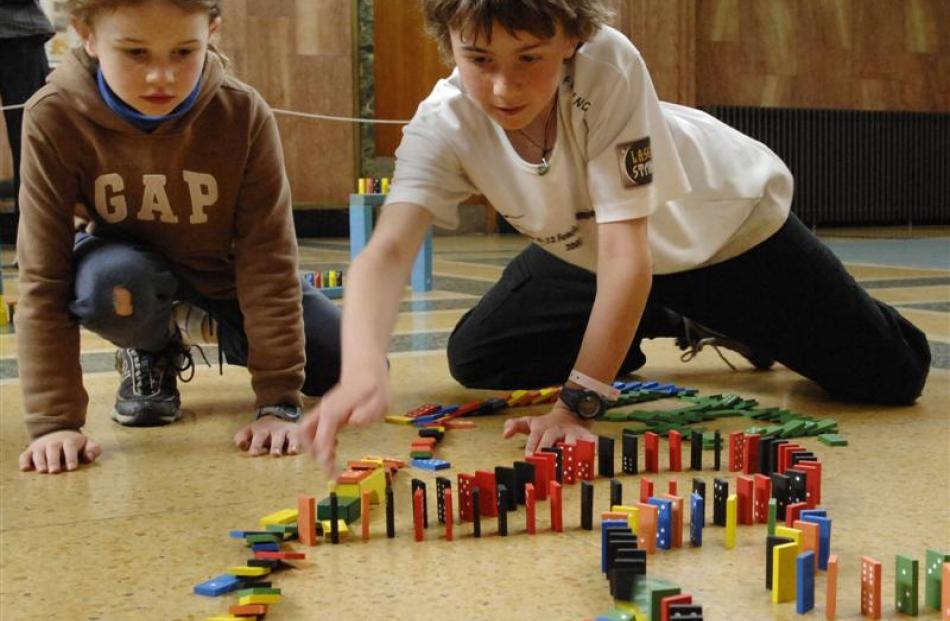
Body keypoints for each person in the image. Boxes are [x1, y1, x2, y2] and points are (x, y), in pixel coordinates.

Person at [299, 0, 931, 473]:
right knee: (478, 356)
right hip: (591, 250)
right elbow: (385, 253)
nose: (502, 87)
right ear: (450, 45)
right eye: (479, 59)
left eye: (529, 59)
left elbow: (632, 254)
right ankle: (671, 319)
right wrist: (358, 370)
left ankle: (715, 311)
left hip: (719, 230)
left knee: (891, 376)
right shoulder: (443, 122)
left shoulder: (607, 62)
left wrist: (578, 404)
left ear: (571, 38)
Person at [17, 0, 342, 474]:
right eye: (135, 54)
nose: (160, 78)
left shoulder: (242, 112)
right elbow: (43, 275)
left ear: (212, 31)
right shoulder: (53, 115)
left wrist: (278, 401)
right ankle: (151, 346)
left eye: (184, 52)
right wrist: (54, 422)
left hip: (223, 276)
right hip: (126, 271)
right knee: (115, 288)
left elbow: (267, 262)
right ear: (86, 35)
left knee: (338, 367)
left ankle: (206, 325)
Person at [0, 0, 54, 242]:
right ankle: (34, 237)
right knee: (31, 137)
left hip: (21, 34)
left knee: (31, 139)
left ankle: (34, 237)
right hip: (22, 32)